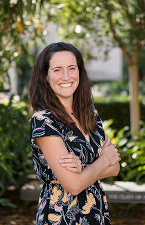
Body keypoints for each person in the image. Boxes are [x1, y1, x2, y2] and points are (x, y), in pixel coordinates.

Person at [29, 42, 121, 225]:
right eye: (57, 70)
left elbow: (115, 168)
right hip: (60, 216)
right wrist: (103, 160)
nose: (66, 76)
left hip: (96, 213)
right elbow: (74, 185)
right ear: (46, 76)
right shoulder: (43, 121)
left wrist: (81, 169)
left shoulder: (90, 113)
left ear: (79, 72)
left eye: (71, 68)